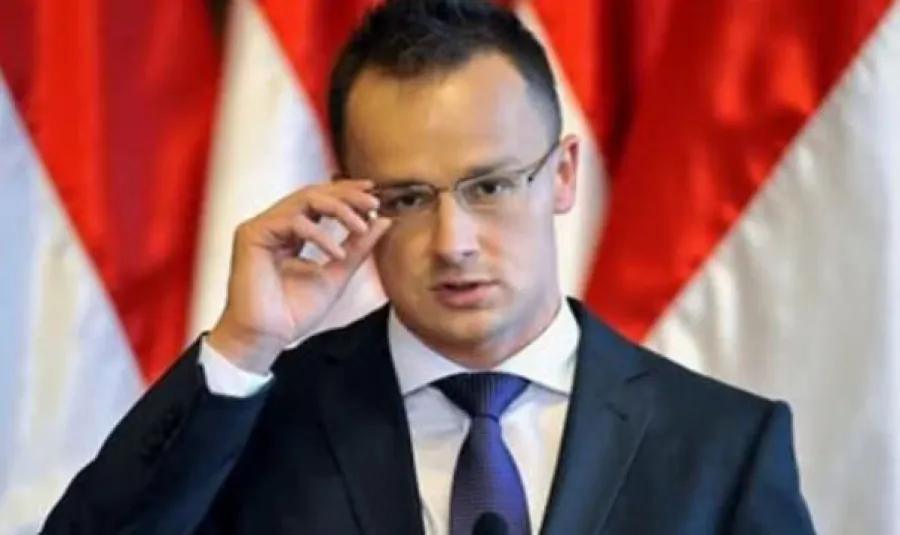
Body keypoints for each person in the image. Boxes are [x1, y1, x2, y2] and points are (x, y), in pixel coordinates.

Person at [41, 0, 817, 533]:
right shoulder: (258, 424)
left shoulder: (722, 444)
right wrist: (243, 345)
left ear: (562, 174)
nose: (454, 242)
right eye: (408, 198)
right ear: (351, 201)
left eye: (489, 186)